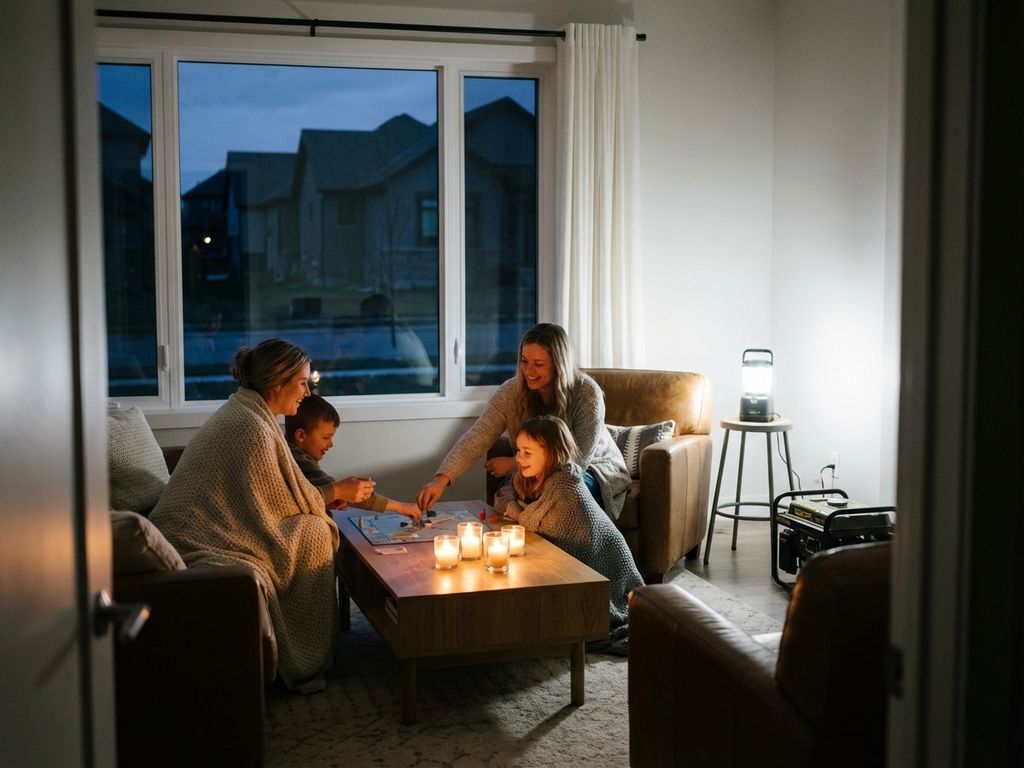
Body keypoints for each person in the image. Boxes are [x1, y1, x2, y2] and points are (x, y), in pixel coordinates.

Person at [150, 338, 376, 693]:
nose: (307, 391)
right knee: (315, 533)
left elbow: (274, 497)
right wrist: (336, 492)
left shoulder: (250, 412)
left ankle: (319, 644)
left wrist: (328, 496)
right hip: (197, 538)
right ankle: (307, 657)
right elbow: (272, 506)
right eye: (302, 383)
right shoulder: (250, 426)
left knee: (315, 525)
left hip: (206, 525)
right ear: (278, 382)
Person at [417, 322, 631, 519]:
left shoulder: (586, 393)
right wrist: (441, 480)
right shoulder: (511, 392)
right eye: (524, 361)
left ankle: (552, 549)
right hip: (534, 470)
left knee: (562, 490)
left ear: (558, 365)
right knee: (507, 495)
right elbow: (479, 435)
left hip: (591, 469)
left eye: (538, 364)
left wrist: (514, 464)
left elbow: (578, 461)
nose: (528, 371)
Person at [495, 415, 644, 654]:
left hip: (603, 555)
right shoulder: (537, 476)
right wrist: (512, 505)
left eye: (527, 452)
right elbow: (508, 495)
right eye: (518, 451)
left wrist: (512, 508)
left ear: (552, 452)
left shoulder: (566, 479)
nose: (518, 458)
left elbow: (530, 519)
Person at [285, 393, 420, 520]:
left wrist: (330, 500)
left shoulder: (289, 450)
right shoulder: (300, 460)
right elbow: (341, 490)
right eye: (326, 437)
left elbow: (316, 494)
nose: (330, 444)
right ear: (301, 435)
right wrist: (400, 507)